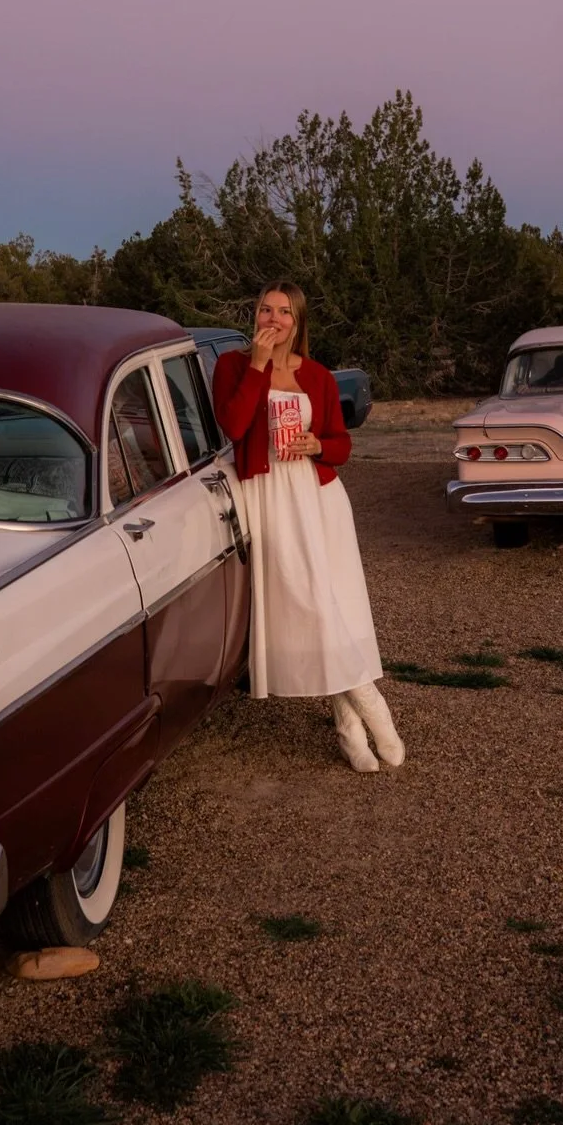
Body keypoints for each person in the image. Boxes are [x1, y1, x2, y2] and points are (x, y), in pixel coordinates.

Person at [211, 283, 404, 773]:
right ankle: (368, 702)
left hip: (319, 498)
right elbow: (233, 427)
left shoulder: (317, 375)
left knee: (334, 603)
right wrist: (258, 364)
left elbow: (342, 445)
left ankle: (346, 726)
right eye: (264, 309)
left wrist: (318, 445)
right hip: (270, 497)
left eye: (283, 313)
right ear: (253, 315)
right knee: (312, 605)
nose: (272, 319)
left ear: (297, 323)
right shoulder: (232, 367)